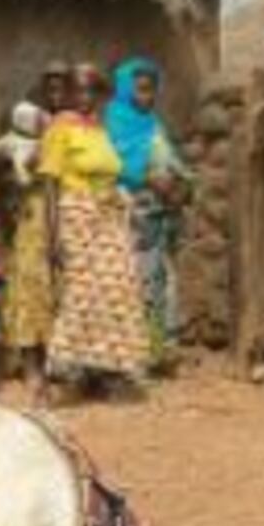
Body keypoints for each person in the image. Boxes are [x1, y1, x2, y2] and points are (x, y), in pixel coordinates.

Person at [40, 63, 152, 396]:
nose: (85, 97)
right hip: (77, 218)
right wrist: (52, 236)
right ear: (70, 93)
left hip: (109, 219)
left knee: (116, 295)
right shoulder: (60, 127)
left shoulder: (99, 129)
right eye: (78, 89)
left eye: (91, 90)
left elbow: (113, 172)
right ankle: (65, 374)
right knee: (80, 297)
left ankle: (105, 371)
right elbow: (49, 182)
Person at [109, 56, 189, 366]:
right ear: (127, 89)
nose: (148, 96)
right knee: (137, 280)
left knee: (162, 279)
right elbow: (115, 164)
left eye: (152, 90)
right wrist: (146, 178)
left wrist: (179, 184)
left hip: (162, 213)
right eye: (141, 89)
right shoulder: (115, 120)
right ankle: (136, 351)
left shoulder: (154, 123)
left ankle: (161, 348)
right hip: (133, 215)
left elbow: (172, 160)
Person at [0, 99, 55, 391]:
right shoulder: (11, 149)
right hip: (27, 228)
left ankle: (46, 362)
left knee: (47, 293)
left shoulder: (43, 146)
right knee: (28, 293)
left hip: (48, 225)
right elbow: (6, 182)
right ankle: (30, 366)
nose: (43, 124)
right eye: (37, 120)